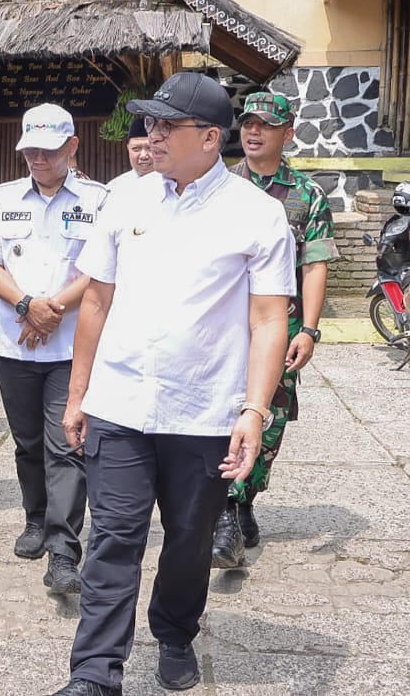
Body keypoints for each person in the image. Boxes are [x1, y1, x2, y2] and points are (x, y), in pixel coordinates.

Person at [53, 73, 294, 696]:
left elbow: (269, 319)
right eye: (149, 124)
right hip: (120, 404)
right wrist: (79, 395)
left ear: (210, 138)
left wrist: (254, 411)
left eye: (166, 126)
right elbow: (97, 303)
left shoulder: (258, 215)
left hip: (205, 412)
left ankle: (176, 631)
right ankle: (95, 674)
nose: (150, 136)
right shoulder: (124, 200)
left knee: (188, 541)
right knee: (112, 540)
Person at [0, 103, 108, 598]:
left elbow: (99, 270)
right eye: (30, 150)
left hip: (71, 347)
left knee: (67, 444)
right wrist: (29, 306)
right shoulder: (3, 199)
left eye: (48, 151)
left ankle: (65, 549)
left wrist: (53, 311)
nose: (37, 159)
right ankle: (35, 519)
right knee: (27, 442)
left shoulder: (98, 200)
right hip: (14, 346)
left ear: (72, 147)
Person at [211, 92, 338, 568]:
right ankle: (224, 511)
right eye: (247, 123)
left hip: (280, 328)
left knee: (269, 419)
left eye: (266, 124)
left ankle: (242, 500)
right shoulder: (218, 185)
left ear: (288, 133)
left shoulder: (306, 195)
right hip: (224, 324)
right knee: (223, 413)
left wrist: (309, 329)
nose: (253, 131)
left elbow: (316, 265)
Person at [105, 117, 154, 189]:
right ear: (128, 148)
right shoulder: (115, 188)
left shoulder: (173, 184)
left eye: (150, 148)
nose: (143, 156)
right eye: (136, 149)